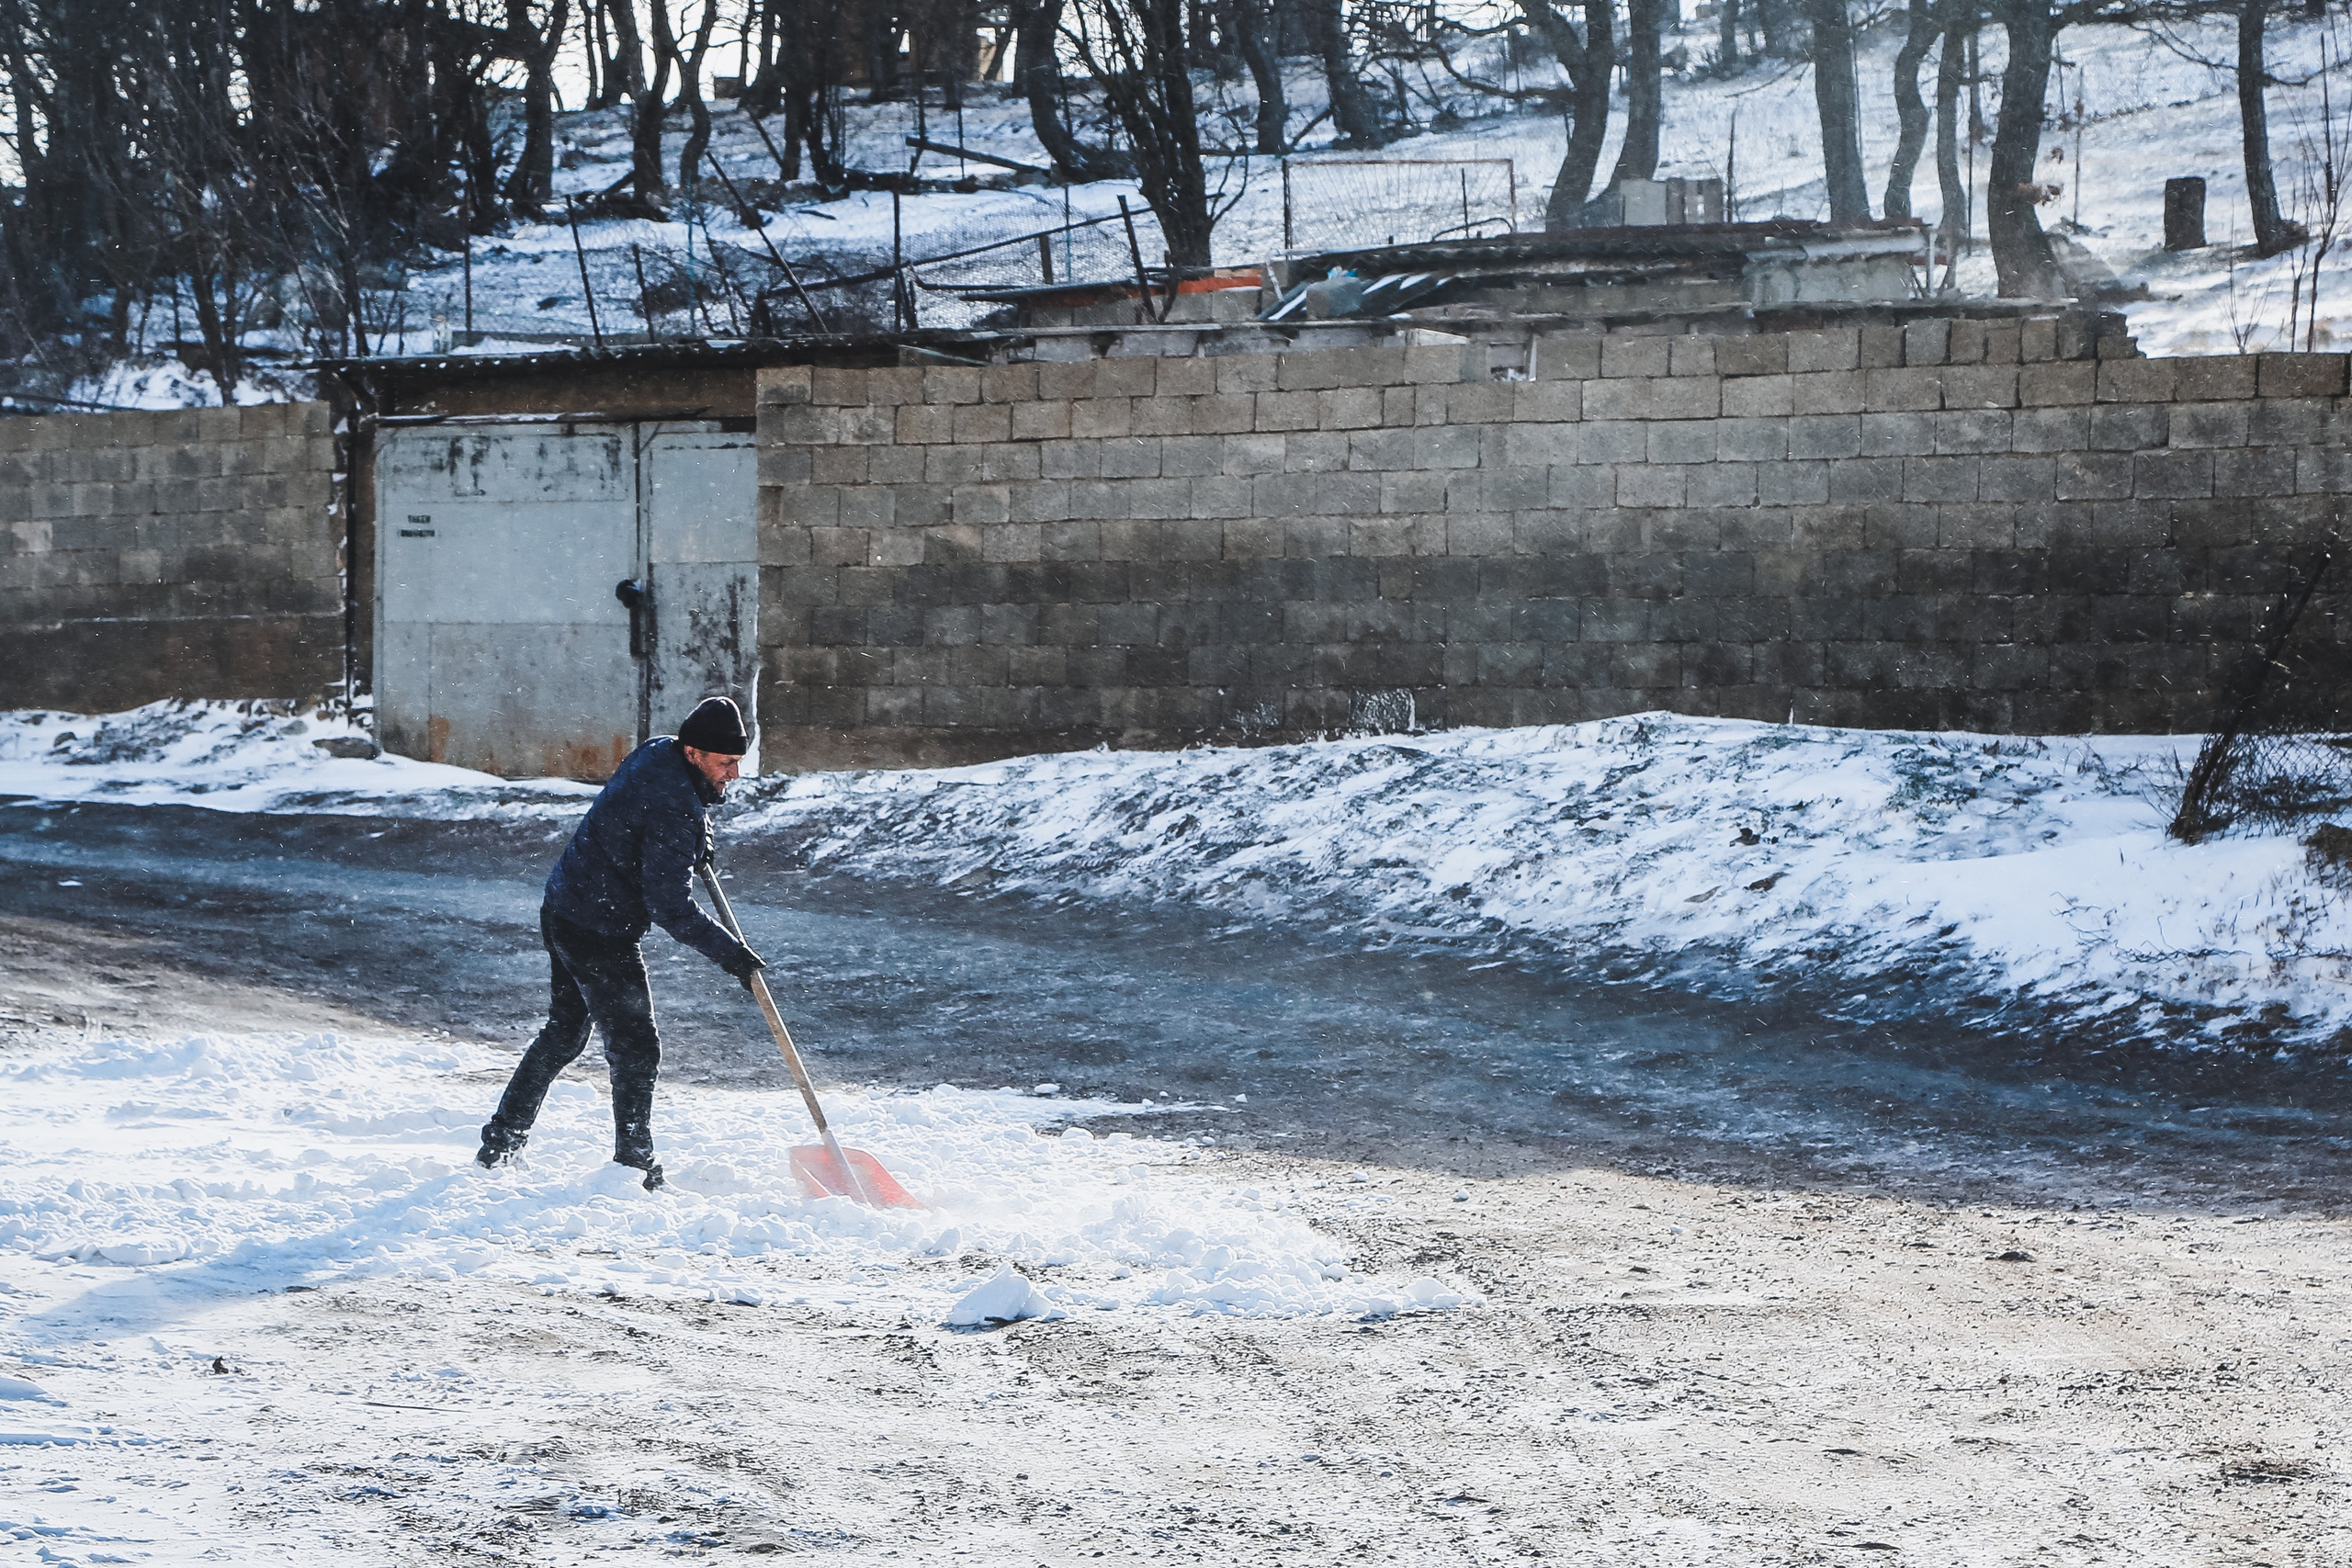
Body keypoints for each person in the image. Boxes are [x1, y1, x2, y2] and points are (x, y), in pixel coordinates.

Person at [476, 695, 765, 1190]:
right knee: (636, 1046)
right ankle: (634, 1163)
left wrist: (701, 841)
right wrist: (731, 956)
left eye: (738, 762)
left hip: (564, 905)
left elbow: (674, 816)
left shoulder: (657, 751)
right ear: (693, 752)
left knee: (564, 1032)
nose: (734, 775)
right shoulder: (676, 806)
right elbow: (669, 906)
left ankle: (501, 1142)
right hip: (598, 929)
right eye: (726, 763)